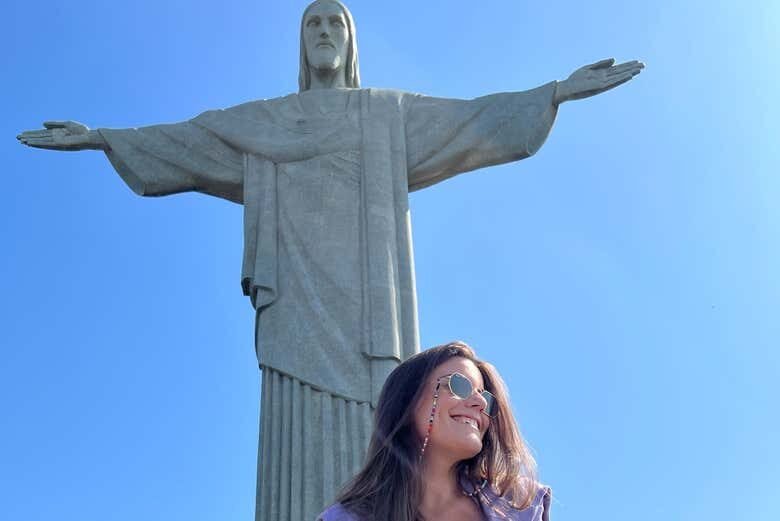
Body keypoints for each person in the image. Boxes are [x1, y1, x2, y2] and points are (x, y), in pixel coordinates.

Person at [17, 1, 640, 518]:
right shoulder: (267, 122)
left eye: (333, 23)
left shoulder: (385, 115)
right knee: (297, 437)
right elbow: (190, 139)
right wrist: (104, 138)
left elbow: (469, 121)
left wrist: (553, 94)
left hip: (374, 314)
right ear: (301, 45)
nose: (322, 34)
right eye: (311, 24)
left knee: (394, 418)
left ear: (350, 41)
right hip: (293, 311)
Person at [318, 341, 550, 521]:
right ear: (407, 403)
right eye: (459, 385)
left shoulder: (520, 504)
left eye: (485, 397)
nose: (480, 403)